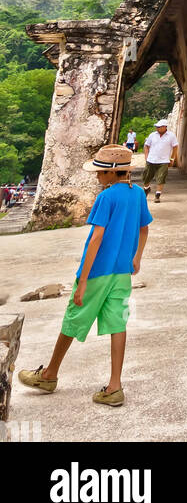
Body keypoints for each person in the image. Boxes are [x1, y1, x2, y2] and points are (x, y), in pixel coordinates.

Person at [17, 144, 151, 407]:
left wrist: (82, 281)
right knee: (118, 324)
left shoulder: (106, 197)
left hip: (97, 273)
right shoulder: (137, 195)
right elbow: (144, 228)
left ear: (113, 173)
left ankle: (49, 375)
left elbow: (96, 238)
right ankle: (114, 387)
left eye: (100, 172)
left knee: (73, 319)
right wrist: (137, 258)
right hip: (122, 273)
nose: (97, 176)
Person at [142, 118, 179, 203]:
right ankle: (146, 188)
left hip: (164, 161)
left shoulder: (171, 136)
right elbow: (146, 146)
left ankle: (157, 195)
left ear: (165, 127)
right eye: (156, 127)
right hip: (151, 159)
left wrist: (172, 158)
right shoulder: (152, 135)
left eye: (159, 127)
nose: (157, 128)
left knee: (161, 178)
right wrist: (146, 157)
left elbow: (175, 147)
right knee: (146, 177)